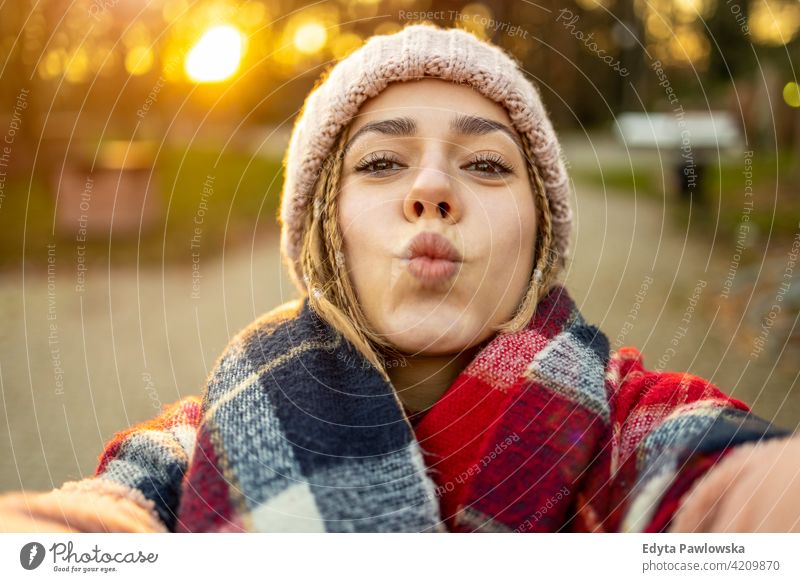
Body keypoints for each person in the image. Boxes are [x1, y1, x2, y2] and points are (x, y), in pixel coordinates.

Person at [1, 23, 798, 533]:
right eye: (381, 161)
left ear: (539, 235)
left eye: (485, 164)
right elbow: (86, 528)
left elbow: (738, 492)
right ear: (324, 233)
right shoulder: (194, 446)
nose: (432, 189)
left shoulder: (634, 430)